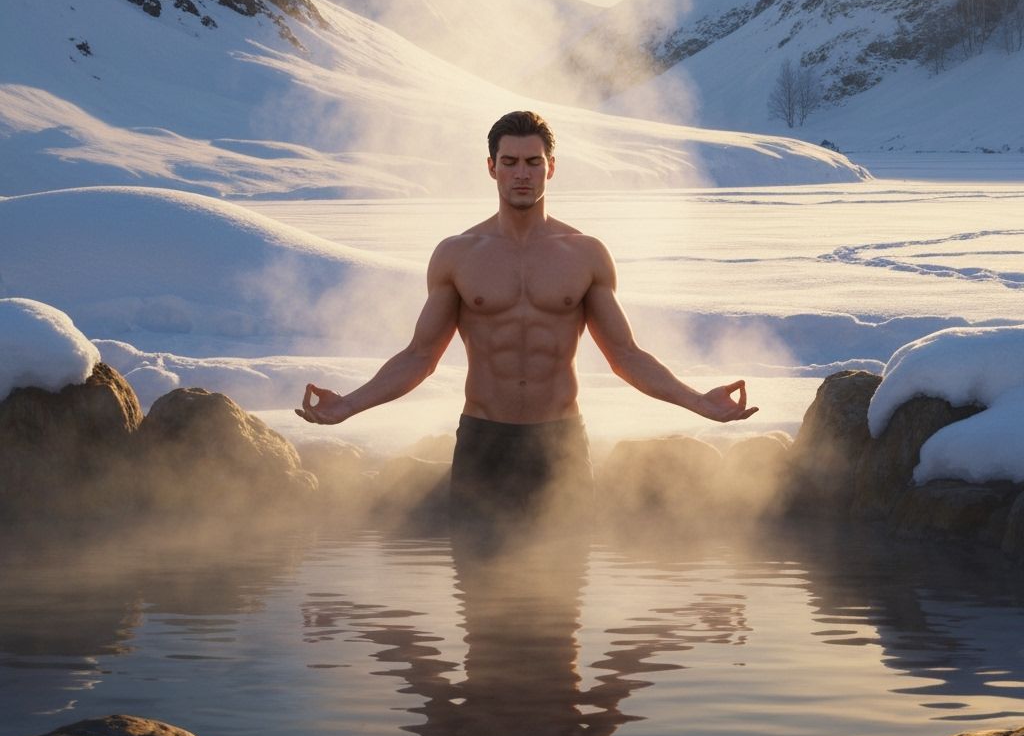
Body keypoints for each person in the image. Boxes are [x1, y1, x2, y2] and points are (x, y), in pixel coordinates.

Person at [296, 110, 757, 519]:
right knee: (478, 597)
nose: (522, 174)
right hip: (483, 442)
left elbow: (625, 355)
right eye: (511, 162)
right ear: (491, 167)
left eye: (533, 162)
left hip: (559, 446)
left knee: (563, 594)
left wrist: (698, 401)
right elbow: (420, 356)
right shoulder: (457, 255)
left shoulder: (584, 254)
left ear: (550, 168)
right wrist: (349, 405)